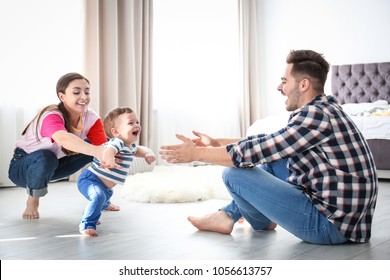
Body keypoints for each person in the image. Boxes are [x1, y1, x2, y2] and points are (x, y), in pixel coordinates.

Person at [160, 49, 378, 245]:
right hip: (346, 221)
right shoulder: (324, 108)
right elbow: (273, 141)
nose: (279, 87)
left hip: (330, 226)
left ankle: (247, 219)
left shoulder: (315, 115)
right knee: (275, 158)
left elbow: (256, 151)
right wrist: (218, 143)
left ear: (303, 85)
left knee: (233, 174)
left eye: (284, 81)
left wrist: (196, 154)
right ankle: (228, 215)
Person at [8, 72, 121, 219]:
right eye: (76, 92)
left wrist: (110, 157)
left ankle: (101, 199)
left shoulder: (91, 117)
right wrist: (98, 151)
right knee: (46, 156)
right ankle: (32, 201)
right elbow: (63, 138)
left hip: (55, 165)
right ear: (62, 96)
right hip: (23, 168)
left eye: (87, 92)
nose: (84, 96)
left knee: (106, 149)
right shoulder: (51, 114)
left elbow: (103, 148)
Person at [78, 107, 156, 236]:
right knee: (98, 197)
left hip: (105, 187)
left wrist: (146, 155)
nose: (137, 125)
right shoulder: (117, 142)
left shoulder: (130, 145)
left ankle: (99, 206)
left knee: (103, 197)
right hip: (90, 179)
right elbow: (109, 151)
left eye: (137, 122)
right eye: (131, 123)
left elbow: (137, 150)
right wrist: (110, 161)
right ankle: (87, 224)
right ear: (116, 132)